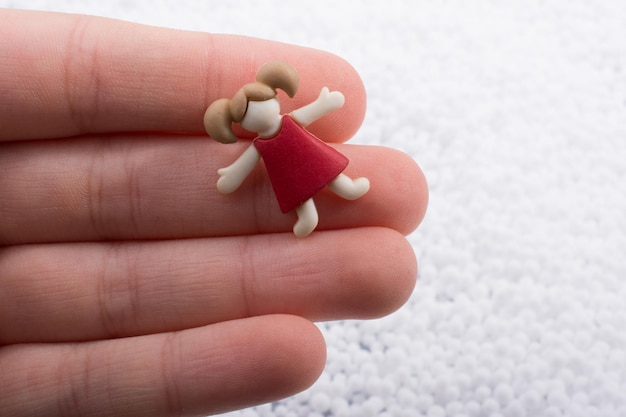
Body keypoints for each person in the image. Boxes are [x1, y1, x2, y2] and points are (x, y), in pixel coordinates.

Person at [0, 8, 428, 417]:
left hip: (305, 153)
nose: (267, 114)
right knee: (300, 191)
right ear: (242, 124)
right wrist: (231, 177)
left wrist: (329, 102)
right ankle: (306, 216)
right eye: (255, 114)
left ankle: (347, 189)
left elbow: (310, 112)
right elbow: (246, 165)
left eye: (268, 105)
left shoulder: (288, 124)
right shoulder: (260, 145)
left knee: (330, 171)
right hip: (286, 169)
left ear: (274, 100)